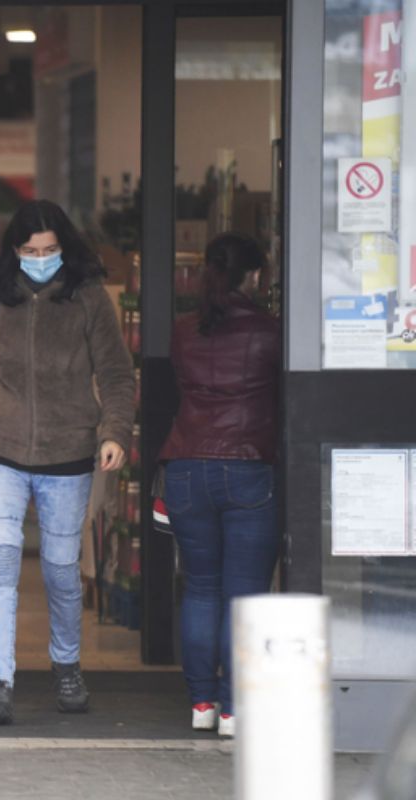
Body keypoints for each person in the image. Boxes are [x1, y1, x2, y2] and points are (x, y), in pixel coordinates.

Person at [0, 200, 135, 725]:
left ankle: (66, 666)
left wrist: (114, 432)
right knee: (0, 562)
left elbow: (117, 374)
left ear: (64, 247)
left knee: (61, 571)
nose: (41, 258)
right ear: (15, 250)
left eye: (50, 250)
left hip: (68, 448)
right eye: (30, 250)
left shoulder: (88, 297)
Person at [158, 232, 281, 739]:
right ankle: (233, 709)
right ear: (254, 275)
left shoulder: (184, 330)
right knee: (243, 595)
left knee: (201, 588)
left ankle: (202, 703)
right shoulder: (272, 332)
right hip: (248, 467)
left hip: (187, 468)